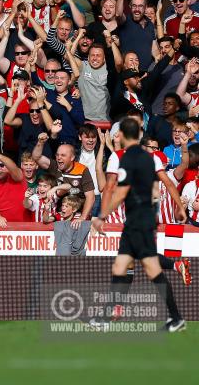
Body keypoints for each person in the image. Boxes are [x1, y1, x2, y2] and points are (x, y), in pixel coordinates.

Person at [91, 118, 186, 332]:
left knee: (151, 269)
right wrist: (179, 207)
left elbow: (119, 191)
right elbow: (168, 183)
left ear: (122, 135)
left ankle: (176, 317)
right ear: (140, 134)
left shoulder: (123, 158)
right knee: (120, 266)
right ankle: (107, 317)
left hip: (137, 221)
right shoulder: (152, 158)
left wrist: (102, 215)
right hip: (143, 219)